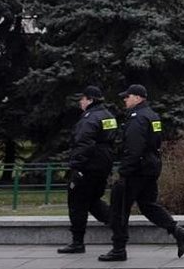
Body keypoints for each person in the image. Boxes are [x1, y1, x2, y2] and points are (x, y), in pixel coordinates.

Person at [98, 85, 184, 262]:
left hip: (136, 170)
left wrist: (124, 172)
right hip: (150, 168)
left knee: (118, 208)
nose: (124, 100)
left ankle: (118, 249)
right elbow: (155, 142)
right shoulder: (152, 115)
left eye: (128, 97)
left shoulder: (137, 118)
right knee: (148, 204)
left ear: (138, 98)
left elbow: (134, 149)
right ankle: (177, 231)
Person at [58, 86, 118, 254]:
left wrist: (76, 166)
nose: (80, 102)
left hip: (87, 167)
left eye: (83, 99)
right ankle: (118, 225)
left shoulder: (89, 118)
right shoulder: (108, 116)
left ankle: (77, 243)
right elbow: (110, 140)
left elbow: (83, 143)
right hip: (103, 166)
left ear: (90, 100)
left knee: (76, 202)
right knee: (92, 201)